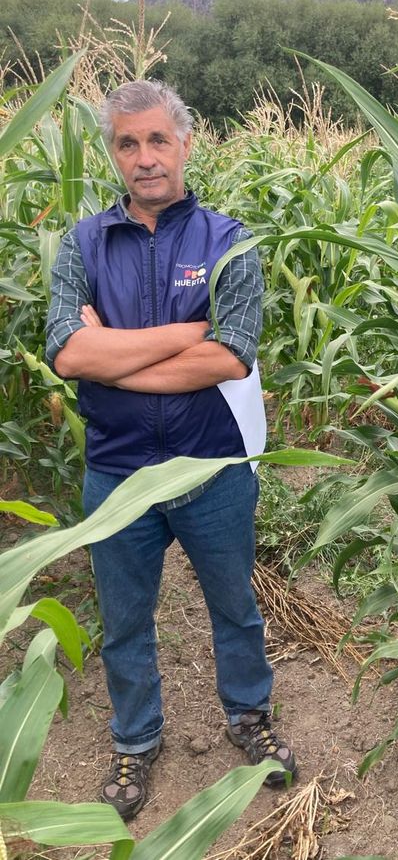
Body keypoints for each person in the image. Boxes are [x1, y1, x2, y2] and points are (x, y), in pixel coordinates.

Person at [45, 79, 296, 820]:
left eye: (158, 139)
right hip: (118, 471)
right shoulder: (83, 243)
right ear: (113, 153)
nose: (145, 157)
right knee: (125, 619)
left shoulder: (229, 240)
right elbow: (66, 352)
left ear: (186, 142)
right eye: (128, 143)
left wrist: (111, 351)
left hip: (211, 465)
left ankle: (249, 715)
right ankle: (135, 739)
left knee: (235, 607)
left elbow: (232, 355)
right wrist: (188, 332)